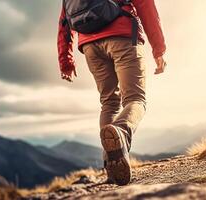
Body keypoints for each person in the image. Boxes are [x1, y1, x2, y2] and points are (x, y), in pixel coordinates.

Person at [57, 0, 166, 185]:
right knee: (136, 99)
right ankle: (122, 132)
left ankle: (112, 169)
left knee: (109, 104)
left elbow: (64, 21)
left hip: (89, 44)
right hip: (123, 35)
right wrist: (159, 49)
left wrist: (66, 60)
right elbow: (145, 5)